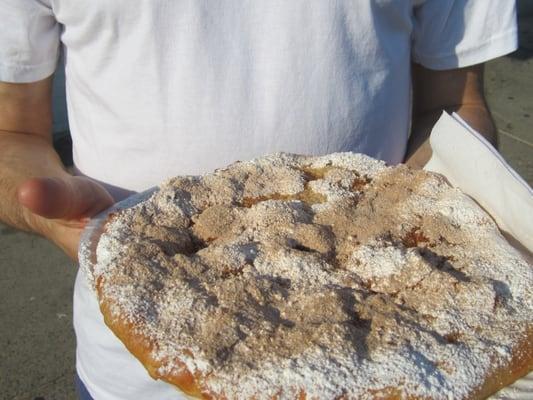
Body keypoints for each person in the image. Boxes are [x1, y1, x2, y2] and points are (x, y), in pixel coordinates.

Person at [0, 1, 517, 399]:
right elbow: (12, 130)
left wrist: (443, 223)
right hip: (133, 366)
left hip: (383, 356)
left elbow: (453, 101)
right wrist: (60, 220)